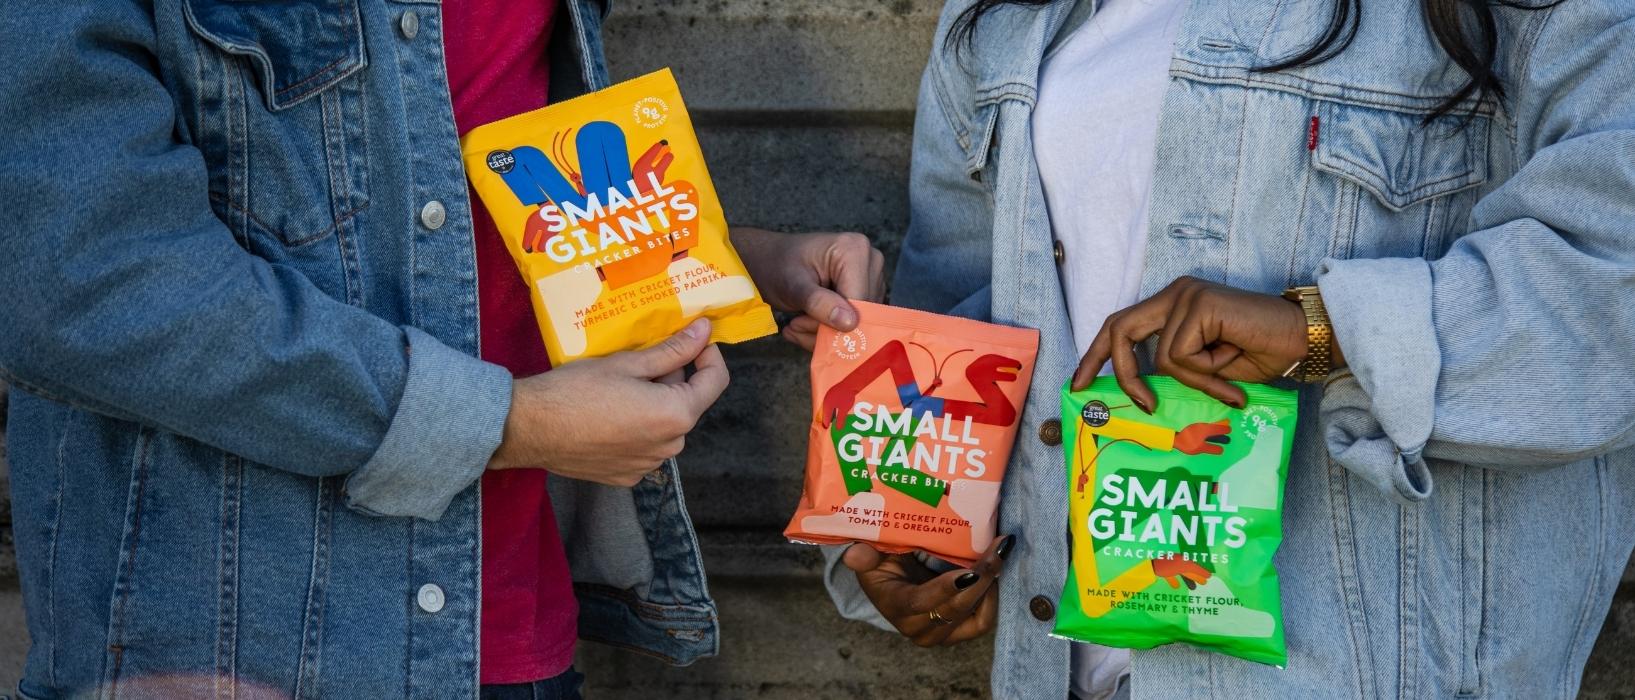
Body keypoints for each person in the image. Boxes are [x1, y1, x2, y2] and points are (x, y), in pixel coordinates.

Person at [0, 1, 884, 698]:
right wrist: (509, 424)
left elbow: (482, 173)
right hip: (236, 647)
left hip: (508, 628)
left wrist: (722, 261)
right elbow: (75, 280)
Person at [825, 0, 1635, 697]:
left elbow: (1612, 285)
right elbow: (969, 314)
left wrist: (1320, 332)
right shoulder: (1004, 20)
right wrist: (920, 542)